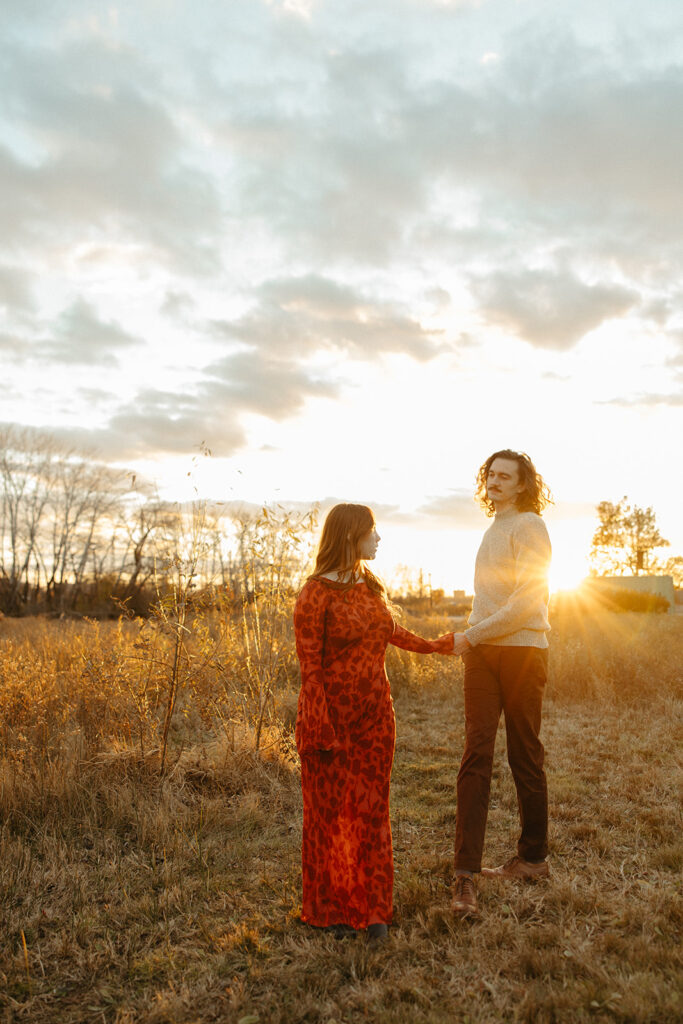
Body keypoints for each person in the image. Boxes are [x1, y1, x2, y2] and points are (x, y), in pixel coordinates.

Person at [294, 502, 454, 940]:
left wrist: (441, 646)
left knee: (371, 810)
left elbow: (391, 633)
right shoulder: (314, 594)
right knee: (329, 815)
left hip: (376, 717)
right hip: (332, 718)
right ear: (351, 536)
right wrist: (319, 725)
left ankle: (374, 908)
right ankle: (333, 910)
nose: (379, 538)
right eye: (373, 531)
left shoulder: (369, 587)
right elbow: (310, 670)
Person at [450, 450, 553, 918]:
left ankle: (533, 858)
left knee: (524, 751)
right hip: (484, 654)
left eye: (504, 476)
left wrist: (472, 635)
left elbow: (529, 602)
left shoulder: (529, 525)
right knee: (476, 753)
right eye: (490, 474)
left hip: (522, 651)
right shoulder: (494, 528)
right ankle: (465, 873)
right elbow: (486, 600)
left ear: (521, 484)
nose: (494, 481)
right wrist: (474, 637)